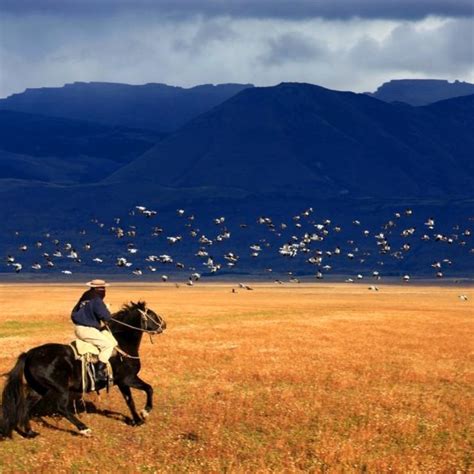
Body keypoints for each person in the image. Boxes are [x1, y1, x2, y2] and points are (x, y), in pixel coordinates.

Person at [71, 279, 118, 383]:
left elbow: (74, 313)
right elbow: (105, 317)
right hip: (87, 330)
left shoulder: (85, 296)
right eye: (103, 288)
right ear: (100, 289)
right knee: (108, 345)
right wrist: (108, 312)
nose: (105, 290)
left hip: (79, 328)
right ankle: (99, 372)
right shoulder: (96, 300)